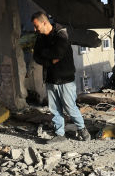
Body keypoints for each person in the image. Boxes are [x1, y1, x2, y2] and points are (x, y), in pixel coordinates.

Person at [31, 11, 91, 143]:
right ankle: (59, 134)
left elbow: (58, 53)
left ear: (44, 22)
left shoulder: (61, 34)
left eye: (36, 26)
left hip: (65, 78)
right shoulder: (40, 37)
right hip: (51, 78)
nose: (35, 29)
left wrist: (45, 54)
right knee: (54, 109)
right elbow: (36, 56)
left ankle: (82, 129)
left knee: (70, 107)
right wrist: (49, 60)